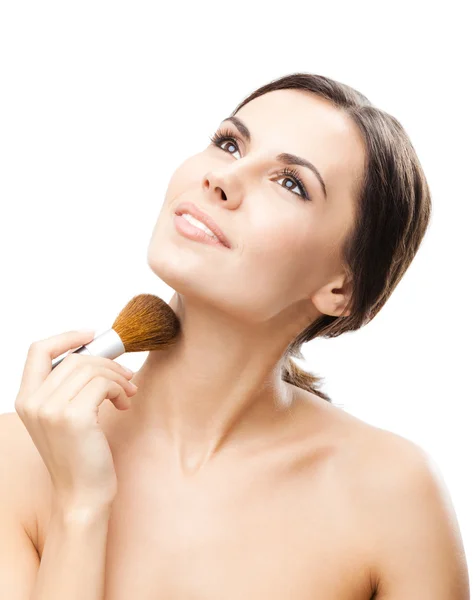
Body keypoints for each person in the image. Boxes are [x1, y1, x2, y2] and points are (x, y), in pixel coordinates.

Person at [0, 72, 469, 599]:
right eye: (229, 143)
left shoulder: (392, 496)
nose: (222, 179)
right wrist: (80, 507)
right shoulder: (15, 459)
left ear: (341, 288)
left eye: (291, 183)